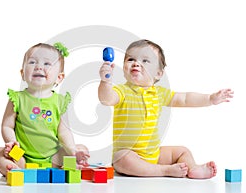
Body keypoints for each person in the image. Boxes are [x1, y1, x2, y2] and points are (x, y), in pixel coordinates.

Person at [98, 39, 233, 179]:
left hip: (154, 154)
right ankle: (163, 171)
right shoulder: (122, 91)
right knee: (120, 158)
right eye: (131, 59)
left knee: (182, 151)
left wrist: (210, 99)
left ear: (158, 73)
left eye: (145, 61)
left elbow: (185, 99)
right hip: (130, 155)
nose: (136, 63)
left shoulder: (159, 93)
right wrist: (105, 81)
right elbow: (106, 99)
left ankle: (192, 168)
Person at [0, 42, 90, 176]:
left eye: (47, 64)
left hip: (53, 158)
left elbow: (64, 132)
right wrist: (11, 142)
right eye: (32, 62)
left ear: (59, 77)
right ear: (22, 73)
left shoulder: (60, 102)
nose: (38, 67)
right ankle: (14, 170)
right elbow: (7, 126)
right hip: (22, 157)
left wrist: (73, 150)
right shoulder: (17, 98)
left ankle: (70, 166)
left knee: (80, 148)